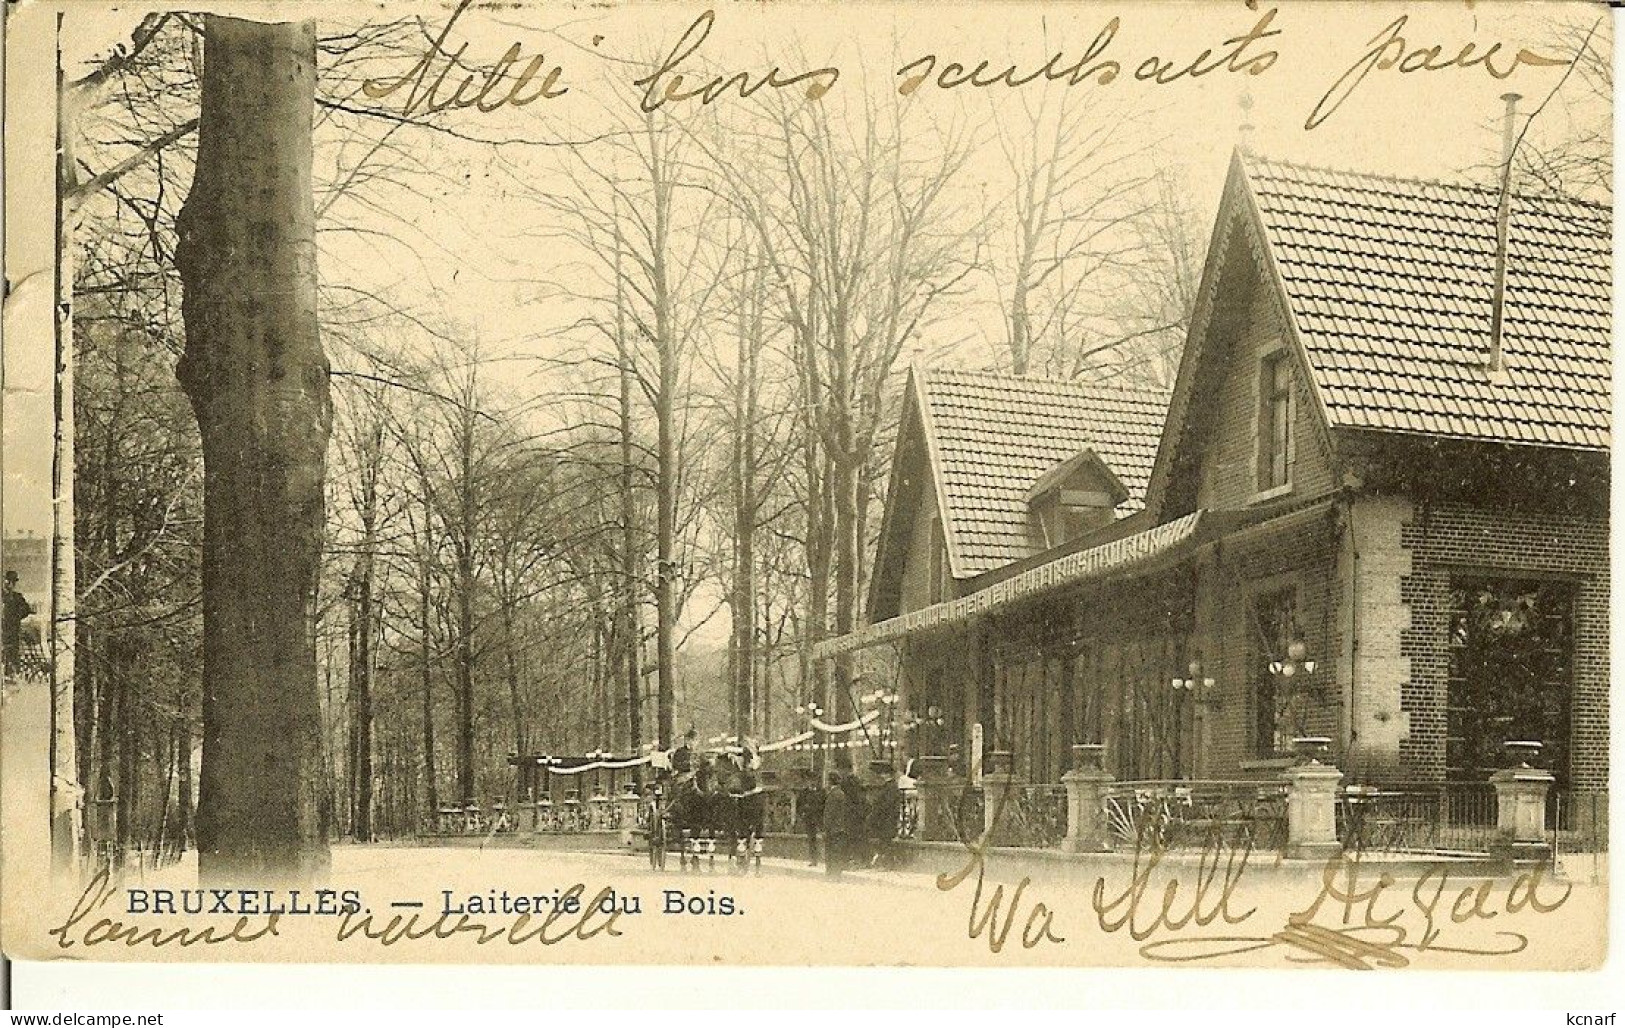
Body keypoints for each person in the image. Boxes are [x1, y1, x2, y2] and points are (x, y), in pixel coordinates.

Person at [821, 773, 854, 878]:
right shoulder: (840, 793)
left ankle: (832, 874)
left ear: (830, 782)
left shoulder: (833, 795)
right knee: (837, 852)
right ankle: (835, 873)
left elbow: (829, 813)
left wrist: (826, 828)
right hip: (839, 827)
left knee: (831, 852)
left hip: (833, 828)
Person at [2, 571, 33, 676]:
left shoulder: (17, 597)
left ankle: (11, 673)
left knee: (12, 651)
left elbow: (26, 609)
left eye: (12, 582)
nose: (10, 584)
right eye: (7, 581)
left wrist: (16, 616)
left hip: (12, 629)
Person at [797, 772, 826, 866]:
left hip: (819, 818)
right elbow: (799, 805)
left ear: (817, 781)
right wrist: (802, 813)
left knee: (824, 837)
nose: (812, 782)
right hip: (809, 818)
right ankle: (813, 859)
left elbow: (825, 804)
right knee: (811, 839)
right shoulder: (804, 792)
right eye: (810, 780)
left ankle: (826, 858)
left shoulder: (821, 792)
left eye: (814, 780)